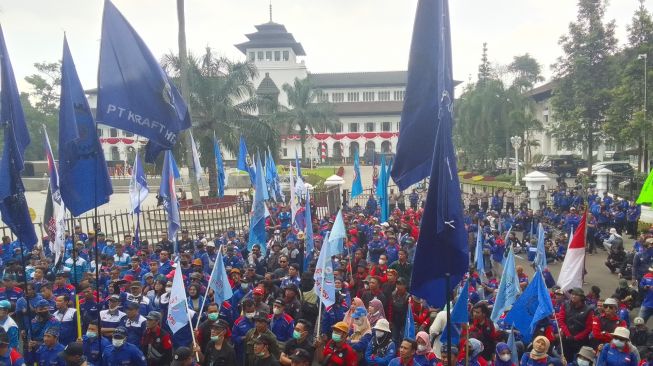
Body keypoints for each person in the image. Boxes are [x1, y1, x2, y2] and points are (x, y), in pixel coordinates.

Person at [559, 288, 593, 361]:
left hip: (581, 342)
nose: (573, 296)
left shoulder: (588, 310)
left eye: (576, 294)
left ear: (582, 297)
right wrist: (568, 335)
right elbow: (561, 320)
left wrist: (576, 338)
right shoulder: (565, 304)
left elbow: (589, 328)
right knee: (565, 360)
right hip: (567, 339)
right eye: (572, 294)